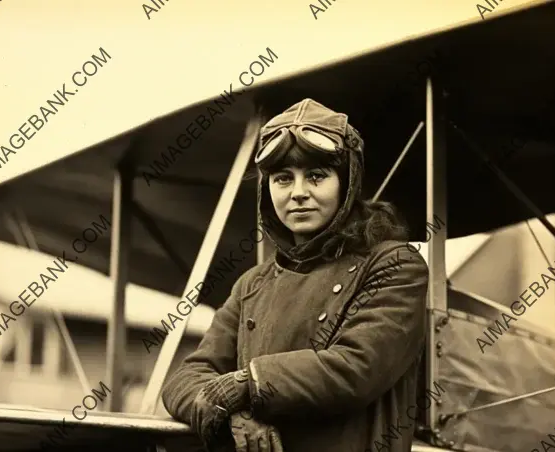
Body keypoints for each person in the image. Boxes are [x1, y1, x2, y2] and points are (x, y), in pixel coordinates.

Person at [161, 98, 429, 452]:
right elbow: (185, 377)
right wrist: (228, 413)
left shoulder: (394, 266)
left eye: (316, 176)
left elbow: (355, 368)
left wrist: (249, 384)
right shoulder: (252, 284)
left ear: (347, 183)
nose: (299, 193)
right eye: (283, 178)